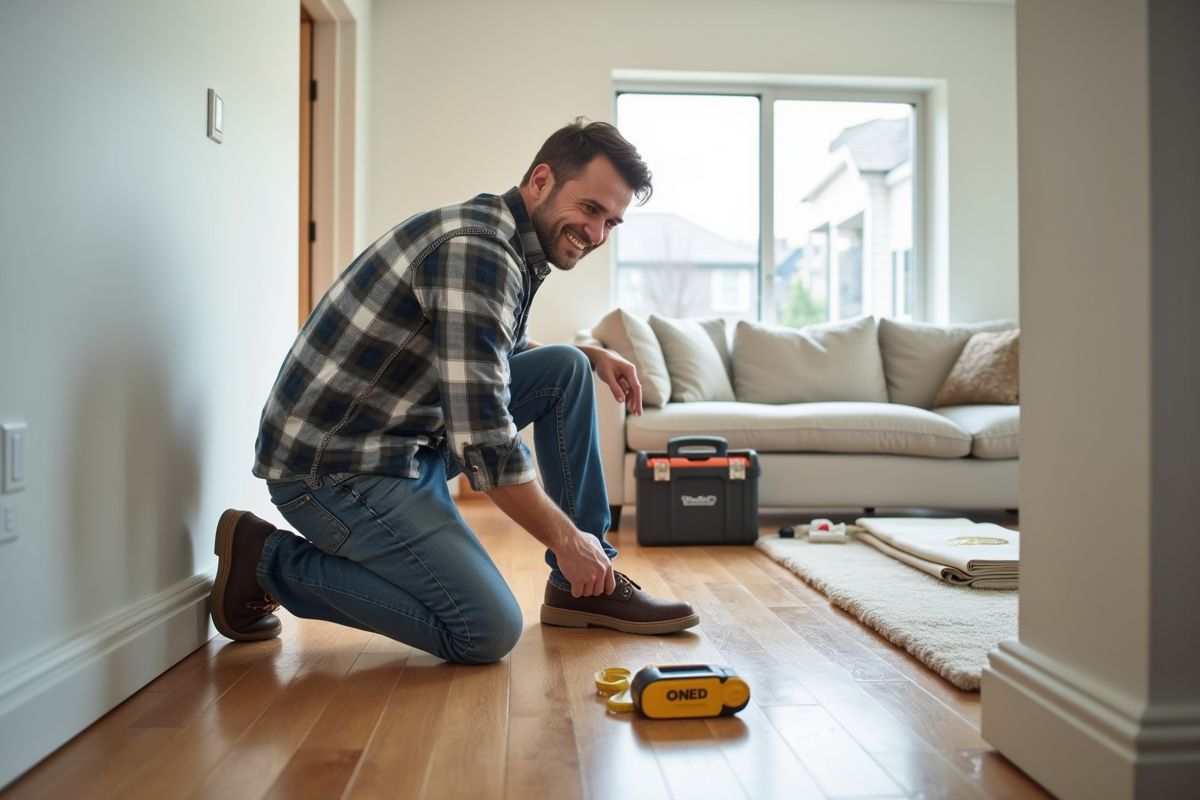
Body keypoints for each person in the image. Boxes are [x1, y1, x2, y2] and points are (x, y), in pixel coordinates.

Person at [210, 118, 699, 663]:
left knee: (564, 368)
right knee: (485, 629)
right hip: (334, 470)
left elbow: (483, 352)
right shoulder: (480, 250)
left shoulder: (510, 238)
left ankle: (581, 586)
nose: (598, 234)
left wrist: (590, 356)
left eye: (612, 221)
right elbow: (484, 435)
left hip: (399, 440)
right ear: (541, 180)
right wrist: (565, 538)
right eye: (589, 210)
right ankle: (266, 561)